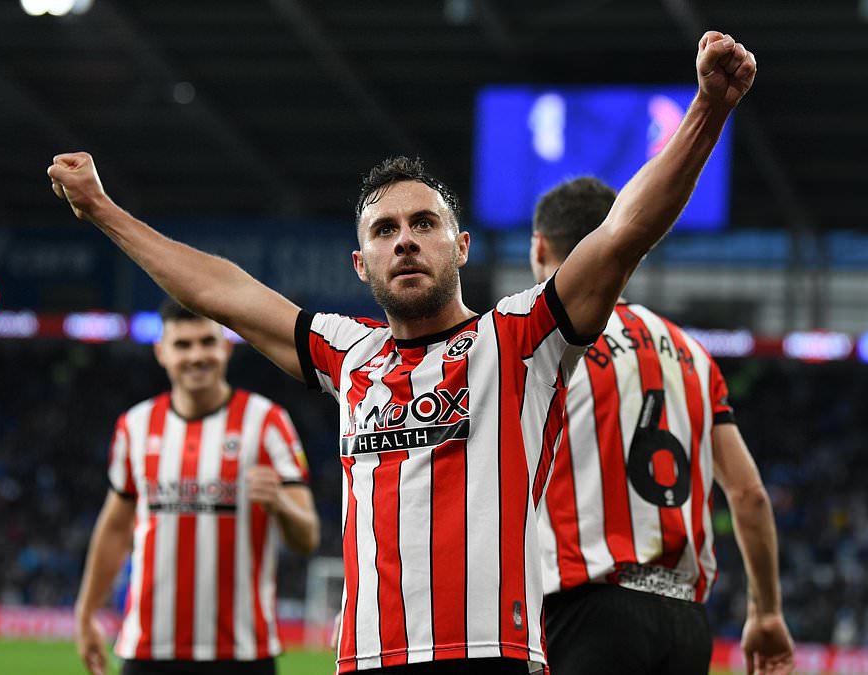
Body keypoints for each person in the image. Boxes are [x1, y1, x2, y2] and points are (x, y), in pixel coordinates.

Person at [49, 30, 756, 675]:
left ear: (462, 247)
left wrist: (707, 110)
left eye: (425, 222)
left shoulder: (516, 339)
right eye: (385, 229)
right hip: (368, 658)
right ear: (362, 264)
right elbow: (221, 290)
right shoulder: (346, 355)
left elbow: (623, 229)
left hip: (491, 654)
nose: (406, 238)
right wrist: (105, 211)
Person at [529, 177, 794, 675]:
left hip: (586, 606)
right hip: (685, 623)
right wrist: (767, 610)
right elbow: (749, 494)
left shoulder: (542, 339)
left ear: (539, 246)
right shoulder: (694, 355)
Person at [73, 300, 320, 675]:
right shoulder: (135, 426)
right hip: (148, 650)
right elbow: (116, 528)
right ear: (162, 352)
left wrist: (281, 506)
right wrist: (86, 611)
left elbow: (307, 538)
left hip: (242, 652)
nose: (196, 356)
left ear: (225, 347)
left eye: (206, 342)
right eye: (182, 345)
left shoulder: (267, 422)